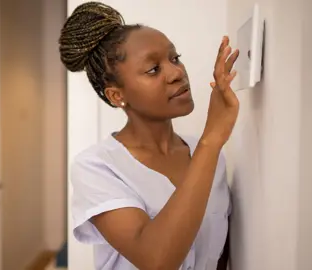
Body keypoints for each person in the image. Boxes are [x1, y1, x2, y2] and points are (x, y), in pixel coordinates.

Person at [59, 2, 239, 270]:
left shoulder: (211, 156)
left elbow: (219, 255)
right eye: (153, 69)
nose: (177, 73)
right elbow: (155, 260)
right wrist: (211, 139)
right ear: (116, 95)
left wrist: (209, 145)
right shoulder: (96, 167)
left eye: (175, 58)